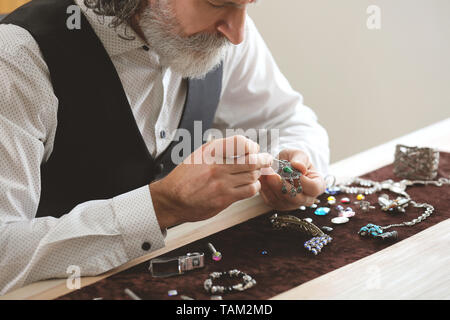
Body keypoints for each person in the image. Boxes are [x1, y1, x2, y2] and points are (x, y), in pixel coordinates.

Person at [0, 0, 329, 295]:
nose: (238, 33)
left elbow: (287, 120)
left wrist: (298, 160)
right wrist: (162, 206)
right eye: (217, 2)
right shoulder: (17, 59)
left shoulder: (225, 27)